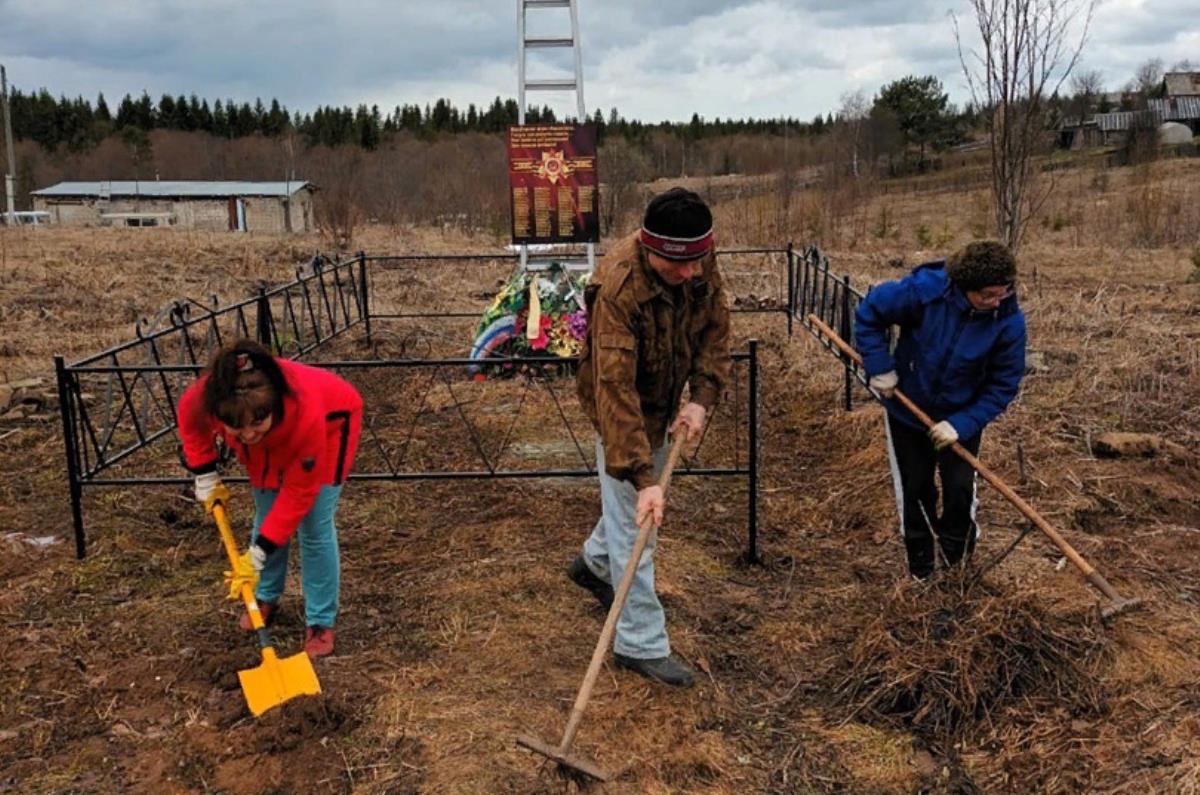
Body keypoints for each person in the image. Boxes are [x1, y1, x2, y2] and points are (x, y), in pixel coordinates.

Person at [569, 187, 731, 688]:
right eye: (676, 266)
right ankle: (639, 641)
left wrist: (702, 398)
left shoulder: (696, 258)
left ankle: (595, 564)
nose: (689, 275)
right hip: (622, 407)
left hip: (666, 396)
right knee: (638, 524)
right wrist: (644, 478)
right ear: (649, 247)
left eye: (696, 263)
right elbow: (615, 392)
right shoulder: (619, 289)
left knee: (624, 515)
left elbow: (714, 332)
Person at [177, 339, 362, 658]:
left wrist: (259, 553)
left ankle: (320, 620)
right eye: (235, 426)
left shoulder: (305, 413)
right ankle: (264, 596)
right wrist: (204, 472)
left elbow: (298, 493)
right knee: (266, 513)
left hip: (331, 425)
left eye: (255, 424)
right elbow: (190, 423)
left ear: (274, 405)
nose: (247, 434)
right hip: (274, 437)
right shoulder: (209, 394)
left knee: (314, 526)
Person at [854, 240, 1026, 580]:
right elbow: (870, 312)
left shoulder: (1008, 322)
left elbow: (1002, 386)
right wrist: (879, 366)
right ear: (964, 288)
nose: (996, 301)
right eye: (987, 295)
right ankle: (921, 568)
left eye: (1002, 293)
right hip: (907, 411)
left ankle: (957, 564)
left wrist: (961, 424)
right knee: (916, 488)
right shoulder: (924, 291)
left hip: (962, 419)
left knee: (960, 488)